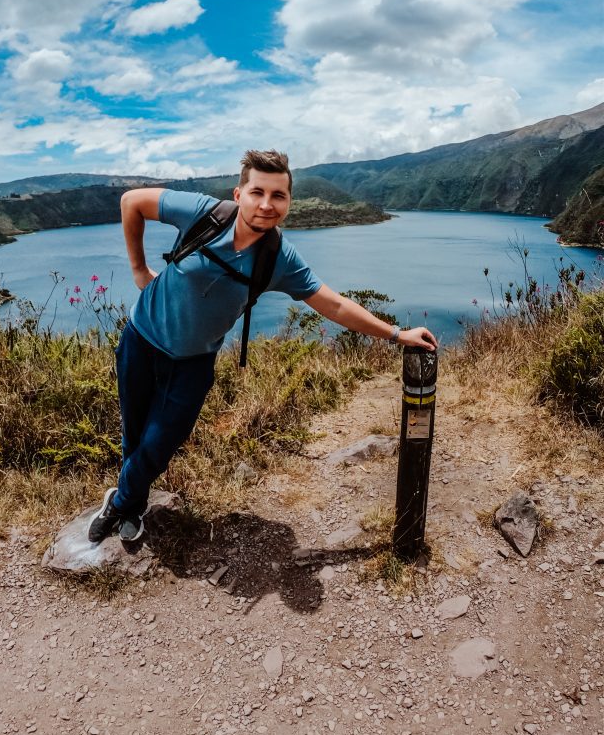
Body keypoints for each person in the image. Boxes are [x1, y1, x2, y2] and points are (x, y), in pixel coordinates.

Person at [88, 149, 437, 545]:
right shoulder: (203, 213)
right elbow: (131, 202)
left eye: (278, 195)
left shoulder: (279, 259)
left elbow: (334, 305)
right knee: (134, 430)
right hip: (141, 339)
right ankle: (133, 503)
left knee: (160, 441)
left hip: (192, 362)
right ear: (239, 194)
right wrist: (138, 269)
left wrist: (396, 334)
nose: (267, 204)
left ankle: (119, 501)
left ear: (289, 202)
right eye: (257, 192)